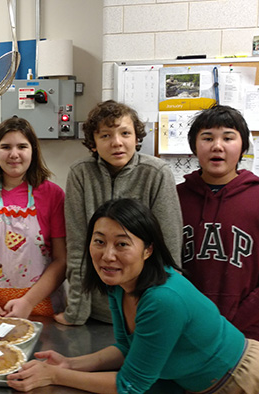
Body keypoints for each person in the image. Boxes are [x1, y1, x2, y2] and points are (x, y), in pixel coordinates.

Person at [7, 199, 259, 394]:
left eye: (122, 244)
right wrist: (71, 364)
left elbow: (130, 385)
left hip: (249, 382)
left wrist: (55, 377)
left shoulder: (162, 299)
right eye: (99, 241)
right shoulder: (120, 285)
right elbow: (128, 350)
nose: (108, 255)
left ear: (148, 249)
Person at [177, 105, 259, 345]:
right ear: (194, 146)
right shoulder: (173, 198)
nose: (217, 146)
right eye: (207, 138)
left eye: (228, 137)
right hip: (182, 327)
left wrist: (236, 321)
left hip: (245, 332)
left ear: (242, 147)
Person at [58, 100, 183, 326]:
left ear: (136, 139)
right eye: (105, 135)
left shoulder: (156, 173)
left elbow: (169, 251)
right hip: (95, 310)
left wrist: (161, 311)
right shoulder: (81, 174)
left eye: (125, 133)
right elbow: (77, 247)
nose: (117, 142)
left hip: (144, 307)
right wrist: (76, 311)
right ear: (93, 143)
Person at [0, 117, 66, 318]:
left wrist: (27, 302)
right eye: (6, 147)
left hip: (40, 308)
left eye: (22, 147)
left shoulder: (53, 195)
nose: (14, 154)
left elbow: (62, 260)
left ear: (33, 151)